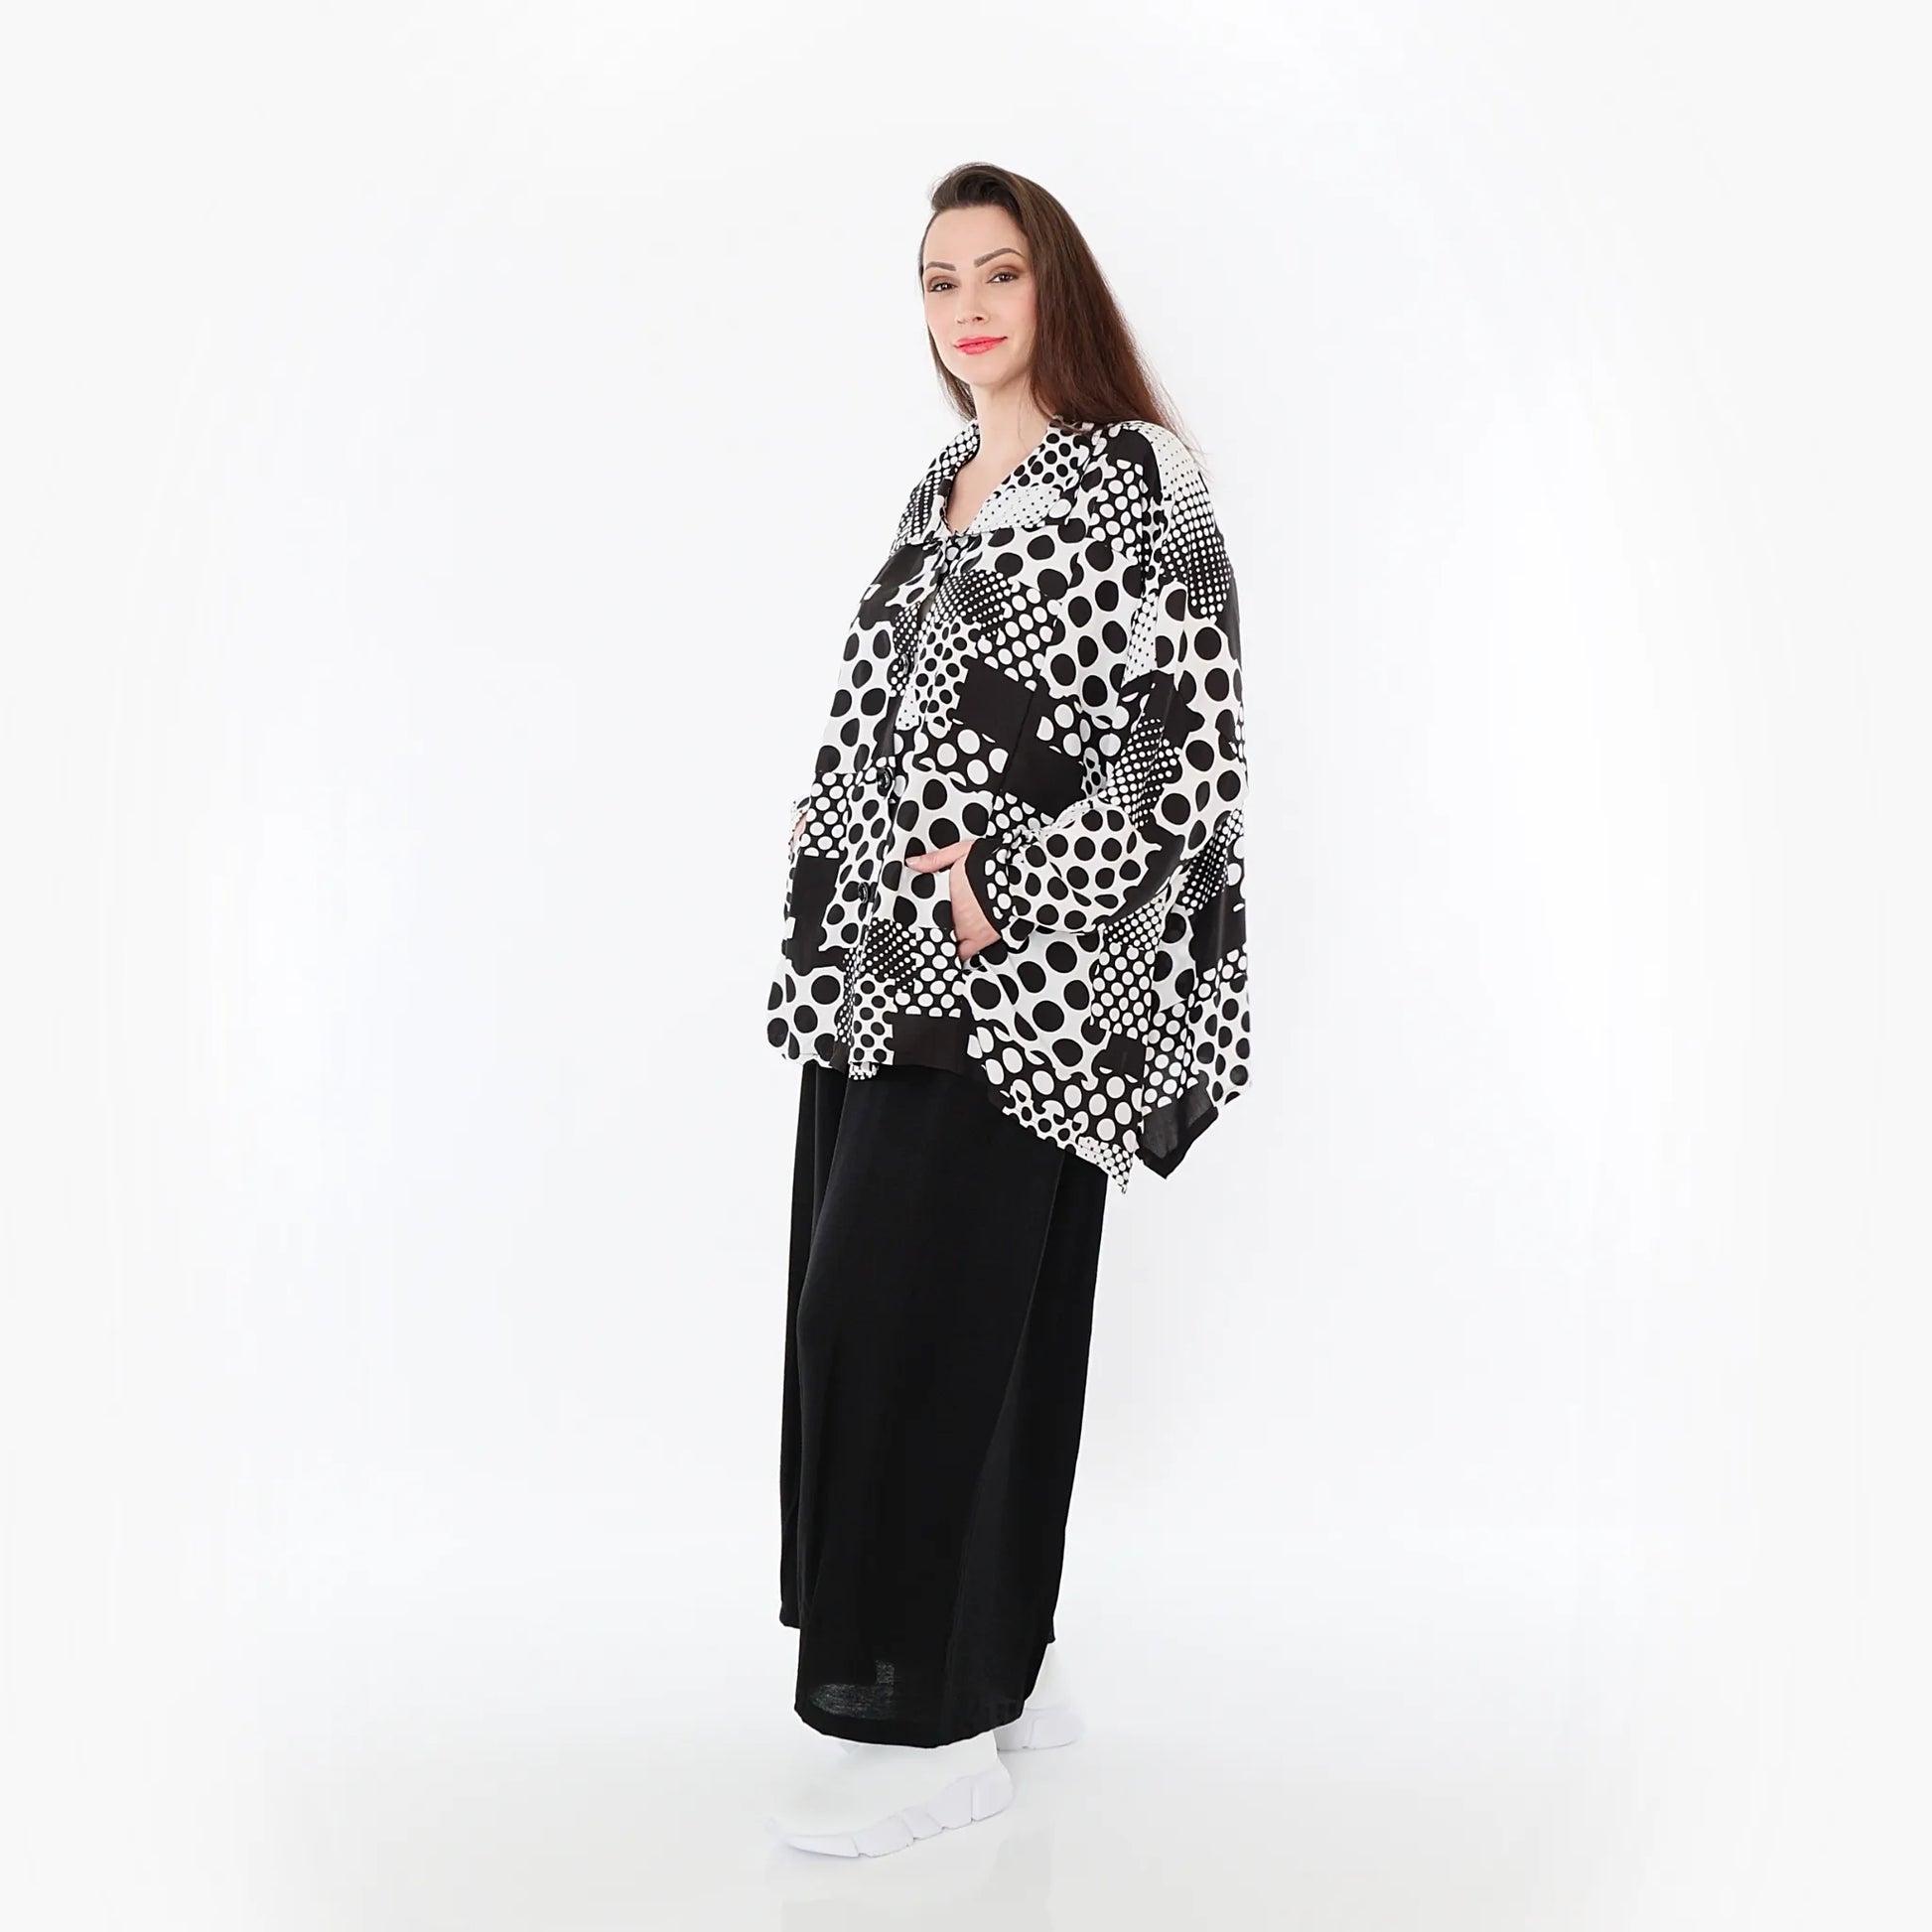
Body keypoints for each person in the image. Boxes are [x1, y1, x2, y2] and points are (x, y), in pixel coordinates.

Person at [762, 160, 1252, 1859]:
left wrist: (1015, 881)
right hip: (879, 975)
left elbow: (1191, 746)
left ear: (1057, 287)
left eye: (998, 273)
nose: (965, 308)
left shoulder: (1140, 476)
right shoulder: (941, 480)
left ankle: (927, 1722)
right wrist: (839, 896)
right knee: (929, 1321)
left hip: (1026, 985)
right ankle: (1001, 1660)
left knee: (901, 1322)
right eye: (937, 280)